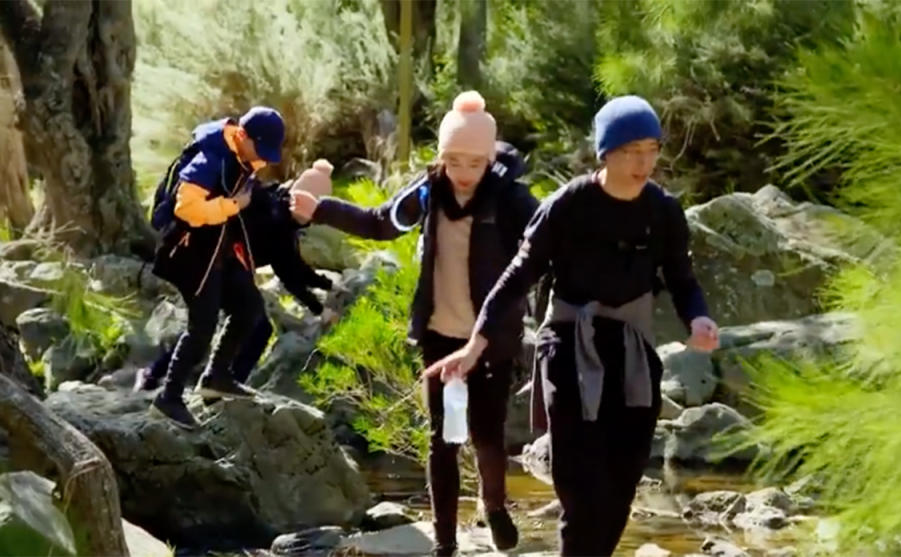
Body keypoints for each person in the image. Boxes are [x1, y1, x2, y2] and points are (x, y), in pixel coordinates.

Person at [423, 96, 720, 556]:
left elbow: (681, 279)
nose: (644, 162)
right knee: (581, 487)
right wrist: (475, 345)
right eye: (631, 151)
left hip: (632, 350)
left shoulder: (663, 211)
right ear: (606, 153)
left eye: (652, 149)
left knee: (622, 482)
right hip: (568, 347)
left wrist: (697, 318)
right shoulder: (569, 205)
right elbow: (517, 277)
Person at [291, 92, 539, 556]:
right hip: (439, 334)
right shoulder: (429, 191)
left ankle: (495, 505)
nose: (463, 173)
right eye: (453, 161)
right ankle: (445, 544)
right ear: (442, 157)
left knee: (488, 433)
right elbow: (380, 222)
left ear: (489, 159)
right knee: (442, 439)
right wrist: (321, 209)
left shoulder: (510, 200)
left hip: (491, 338)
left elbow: (545, 243)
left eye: (473, 163)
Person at [136, 169, 335, 394]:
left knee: (207, 325)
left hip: (214, 260)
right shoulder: (279, 221)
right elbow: (289, 274)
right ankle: (223, 382)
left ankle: (158, 374)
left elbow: (295, 266)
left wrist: (327, 285)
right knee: (254, 327)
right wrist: (319, 308)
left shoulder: (274, 201)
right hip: (217, 263)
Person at [150, 106, 285, 430]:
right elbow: (187, 208)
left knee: (249, 307)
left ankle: (217, 377)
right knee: (202, 325)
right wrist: (232, 206)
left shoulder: (241, 151)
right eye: (261, 151)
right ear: (242, 135)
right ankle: (168, 398)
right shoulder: (211, 157)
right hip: (189, 252)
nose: (264, 161)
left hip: (218, 249)